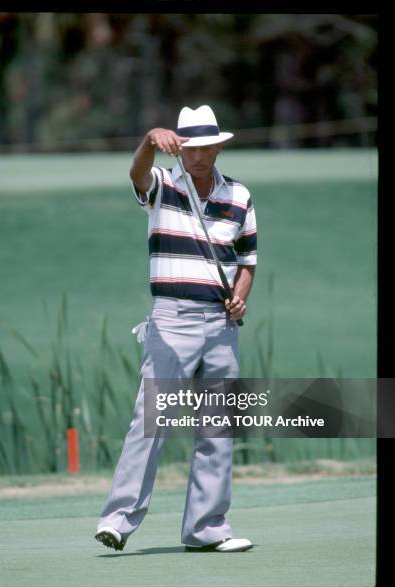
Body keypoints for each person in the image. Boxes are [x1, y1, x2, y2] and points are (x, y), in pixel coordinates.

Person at [95, 105, 257, 552]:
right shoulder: (163, 185)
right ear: (179, 148)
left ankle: (206, 530)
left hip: (222, 323)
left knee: (217, 428)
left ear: (218, 146)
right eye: (189, 147)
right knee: (152, 420)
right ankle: (118, 520)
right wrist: (149, 139)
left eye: (206, 147)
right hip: (171, 320)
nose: (198, 155)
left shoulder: (240, 196)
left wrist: (242, 294)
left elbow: (247, 261)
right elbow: (137, 173)